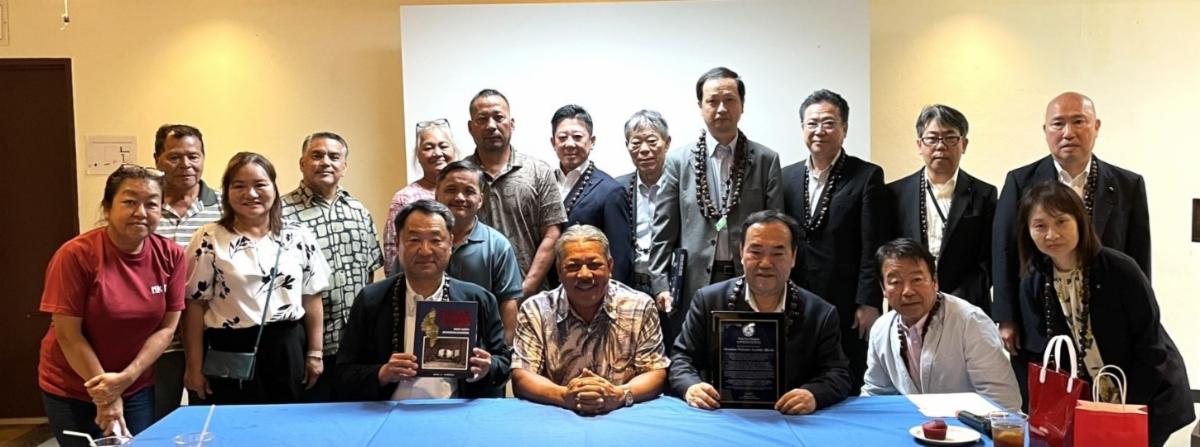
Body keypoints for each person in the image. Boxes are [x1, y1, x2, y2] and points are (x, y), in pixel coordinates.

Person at [1013, 182, 1191, 446]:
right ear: (1027, 232)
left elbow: (1150, 347)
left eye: (1061, 222)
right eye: (1040, 226)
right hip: (1085, 403)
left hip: (1145, 394)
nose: (1051, 234)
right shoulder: (1034, 281)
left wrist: (1124, 406)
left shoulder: (1120, 269)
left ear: (1080, 221)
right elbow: (1036, 351)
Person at [992, 92, 1151, 356]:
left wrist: (1140, 313)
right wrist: (1006, 317)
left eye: (1079, 122)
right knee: (1045, 392)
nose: (1068, 133)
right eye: (1058, 124)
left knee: (1106, 389)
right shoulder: (1020, 181)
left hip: (1106, 310)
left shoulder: (1128, 185)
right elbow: (1004, 250)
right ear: (1045, 130)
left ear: (1096, 126)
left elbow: (1138, 254)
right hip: (1041, 313)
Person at [39, 165, 185, 445]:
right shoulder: (75, 254)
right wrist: (106, 395)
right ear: (107, 208)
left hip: (135, 384)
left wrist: (125, 380)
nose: (141, 212)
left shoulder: (171, 255)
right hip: (73, 386)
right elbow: (69, 335)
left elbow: (167, 329)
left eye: (151, 204)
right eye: (129, 202)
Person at [650, 67, 783, 354]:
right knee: (698, 354)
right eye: (712, 101)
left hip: (749, 276)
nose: (721, 108)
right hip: (694, 281)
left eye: (729, 100)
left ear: (742, 106)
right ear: (700, 107)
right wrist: (660, 284)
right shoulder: (677, 162)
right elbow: (663, 230)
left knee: (748, 354)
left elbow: (777, 228)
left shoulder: (765, 160)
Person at [183, 152, 331, 405]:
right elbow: (194, 305)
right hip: (228, 348)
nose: (250, 194)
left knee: (288, 427)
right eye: (239, 186)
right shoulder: (209, 237)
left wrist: (315, 353)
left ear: (274, 187)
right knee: (234, 428)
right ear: (227, 192)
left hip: (287, 346)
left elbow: (311, 295)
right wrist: (193, 366)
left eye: (260, 184)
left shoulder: (298, 235)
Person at [670, 210, 851, 415]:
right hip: (723, 416)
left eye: (777, 253)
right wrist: (691, 386)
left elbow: (838, 373)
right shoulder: (709, 300)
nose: (765, 263)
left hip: (792, 420)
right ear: (741, 252)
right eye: (755, 252)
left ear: (793, 257)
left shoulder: (820, 313)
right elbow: (681, 358)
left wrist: (813, 395)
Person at [336, 200, 510, 400]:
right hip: (389, 414)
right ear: (398, 244)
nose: (425, 250)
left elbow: (504, 363)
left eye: (436, 240)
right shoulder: (371, 300)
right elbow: (343, 373)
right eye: (414, 240)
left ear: (450, 243)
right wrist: (382, 373)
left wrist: (488, 367)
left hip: (456, 412)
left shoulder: (479, 299)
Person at [782, 89, 887, 389]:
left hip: (847, 299)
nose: (819, 131)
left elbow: (873, 244)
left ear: (844, 129)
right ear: (802, 128)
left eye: (828, 123)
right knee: (799, 374)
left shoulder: (866, 175)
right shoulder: (785, 177)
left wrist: (869, 301)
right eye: (811, 123)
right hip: (797, 296)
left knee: (847, 375)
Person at [512, 225, 668, 415]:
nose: (584, 275)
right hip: (557, 417)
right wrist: (563, 396)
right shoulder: (534, 310)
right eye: (573, 266)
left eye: (594, 265)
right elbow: (522, 376)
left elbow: (655, 372)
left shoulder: (640, 306)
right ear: (559, 271)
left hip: (623, 417)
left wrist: (619, 395)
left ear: (610, 266)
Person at [281, 132, 384, 401]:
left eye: (334, 157)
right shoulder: (281, 214)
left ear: (344, 166)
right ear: (302, 163)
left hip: (356, 345)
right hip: (306, 344)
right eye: (316, 155)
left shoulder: (358, 211)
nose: (325, 162)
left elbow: (370, 273)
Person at [861, 238, 1020, 410]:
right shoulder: (881, 329)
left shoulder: (970, 322)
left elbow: (1003, 402)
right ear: (883, 288)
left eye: (917, 279)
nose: (907, 291)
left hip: (972, 429)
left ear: (935, 281)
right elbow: (876, 394)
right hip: (914, 429)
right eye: (895, 282)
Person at [886, 105, 996, 312]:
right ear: (919, 145)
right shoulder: (895, 194)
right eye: (932, 138)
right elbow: (887, 254)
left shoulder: (985, 194)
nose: (941, 146)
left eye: (950, 137)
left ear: (963, 144)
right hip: (909, 303)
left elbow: (987, 260)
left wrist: (955, 298)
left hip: (966, 307)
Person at [149, 124, 222, 420]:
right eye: (175, 157)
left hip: (210, 337)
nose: (186, 165)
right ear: (157, 159)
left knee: (208, 422)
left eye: (194, 156)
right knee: (155, 421)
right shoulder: (145, 206)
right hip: (157, 341)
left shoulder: (225, 206)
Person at [465, 89, 567, 297]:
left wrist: (526, 289)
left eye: (498, 117)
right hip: (470, 295)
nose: (491, 125)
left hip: (531, 297)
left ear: (512, 123)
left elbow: (552, 233)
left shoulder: (538, 171)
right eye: (482, 119)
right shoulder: (458, 176)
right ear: (471, 127)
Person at [431, 160, 523, 343]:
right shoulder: (420, 243)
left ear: (480, 200)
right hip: (424, 349)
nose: (459, 197)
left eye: (469, 191)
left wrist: (500, 359)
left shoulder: (497, 246)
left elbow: (509, 306)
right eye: (450, 189)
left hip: (480, 356)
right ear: (436, 195)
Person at [549, 104, 633, 285]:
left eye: (578, 137)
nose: (570, 144)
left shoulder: (610, 191)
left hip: (589, 291)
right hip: (548, 294)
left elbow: (620, 259)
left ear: (592, 141)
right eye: (562, 137)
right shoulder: (544, 184)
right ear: (553, 142)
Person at [385, 119, 457, 275]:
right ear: (418, 155)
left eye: (443, 146)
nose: (437, 153)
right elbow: (392, 252)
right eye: (428, 147)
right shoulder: (404, 198)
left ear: (454, 150)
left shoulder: (465, 194)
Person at [615, 110, 671, 296]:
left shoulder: (681, 188)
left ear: (667, 143)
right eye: (636, 143)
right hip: (630, 286)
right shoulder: (618, 188)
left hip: (672, 286)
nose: (644, 149)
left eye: (652, 141)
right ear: (627, 146)